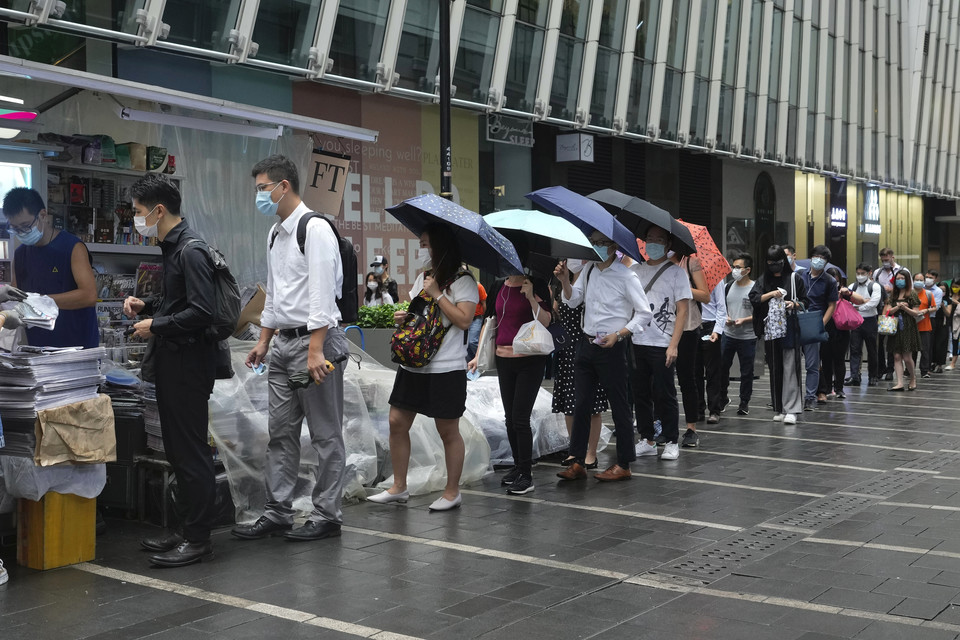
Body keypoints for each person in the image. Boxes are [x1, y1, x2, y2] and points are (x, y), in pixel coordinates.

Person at [234, 155, 349, 542]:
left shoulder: (314, 229)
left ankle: (327, 515)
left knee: (324, 433)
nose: (259, 196)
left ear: (284, 187)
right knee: (280, 432)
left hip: (314, 344)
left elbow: (321, 293)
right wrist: (264, 340)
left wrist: (316, 349)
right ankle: (278, 511)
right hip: (283, 344)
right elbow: (275, 294)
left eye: (262, 189)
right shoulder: (275, 233)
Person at [121, 173, 219, 567]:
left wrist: (155, 325)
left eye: (138, 213)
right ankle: (184, 530)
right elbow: (179, 301)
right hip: (173, 361)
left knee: (191, 452)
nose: (136, 220)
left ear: (159, 211)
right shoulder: (172, 249)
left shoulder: (191, 250)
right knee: (178, 451)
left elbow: (202, 311)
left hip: (189, 364)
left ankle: (198, 540)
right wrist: (148, 306)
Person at [369, 223, 478, 510]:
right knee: (397, 421)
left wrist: (439, 294)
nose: (423, 250)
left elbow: (464, 320)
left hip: (446, 367)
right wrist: (404, 317)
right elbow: (420, 316)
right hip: (414, 363)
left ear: (440, 247)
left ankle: (452, 492)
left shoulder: (463, 281)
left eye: (427, 244)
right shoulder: (424, 278)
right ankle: (398, 486)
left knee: (447, 430)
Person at [555, 230, 652, 481]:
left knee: (619, 405)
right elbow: (573, 301)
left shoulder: (626, 275)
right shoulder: (588, 270)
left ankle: (624, 463)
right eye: (593, 242)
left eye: (601, 243)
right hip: (586, 343)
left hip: (611, 345)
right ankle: (577, 461)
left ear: (613, 246)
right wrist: (566, 280)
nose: (596, 247)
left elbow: (644, 314)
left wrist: (619, 334)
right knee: (581, 403)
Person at [468, 272, 551, 495]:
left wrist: (531, 297)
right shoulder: (497, 284)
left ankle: (526, 474)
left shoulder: (536, 283)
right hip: (504, 360)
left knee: (520, 418)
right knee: (510, 419)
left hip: (530, 360)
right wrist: (477, 355)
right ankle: (517, 466)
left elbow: (546, 321)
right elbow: (490, 321)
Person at [3, 187, 98, 348]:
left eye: (26, 226)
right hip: (38, 349)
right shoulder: (20, 255)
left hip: (76, 348)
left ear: (43, 215)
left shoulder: (72, 247)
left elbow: (89, 296)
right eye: (15, 228)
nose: (21, 232)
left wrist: (40, 301)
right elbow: (17, 296)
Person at [631, 224, 691, 462]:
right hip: (636, 339)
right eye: (649, 238)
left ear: (668, 245)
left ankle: (671, 441)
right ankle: (646, 439)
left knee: (665, 393)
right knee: (640, 393)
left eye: (659, 239)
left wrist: (674, 344)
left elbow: (683, 309)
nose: (653, 243)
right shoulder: (635, 270)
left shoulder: (677, 273)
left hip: (662, 342)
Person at [551, 259, 607, 469]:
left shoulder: (593, 280)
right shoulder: (559, 283)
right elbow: (556, 311)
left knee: (592, 406)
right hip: (566, 349)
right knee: (569, 404)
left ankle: (591, 453)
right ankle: (575, 450)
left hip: (587, 345)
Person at [750, 245, 809, 425]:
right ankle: (779, 407)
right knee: (775, 368)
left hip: (789, 328)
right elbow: (754, 298)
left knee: (790, 367)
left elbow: (806, 301)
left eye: (777, 262)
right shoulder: (763, 280)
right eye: (770, 263)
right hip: (770, 330)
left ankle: (792, 408)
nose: (774, 266)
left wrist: (794, 304)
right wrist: (771, 294)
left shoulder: (794, 278)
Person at [672, 253, 710, 445]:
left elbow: (705, 296)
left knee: (687, 378)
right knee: (658, 381)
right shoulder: (651, 264)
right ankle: (662, 424)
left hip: (687, 326)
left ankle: (691, 428)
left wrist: (683, 286)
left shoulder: (690, 262)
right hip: (661, 327)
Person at [800, 245, 838, 410]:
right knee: (792, 362)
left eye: (822, 258)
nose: (818, 260)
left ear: (826, 262)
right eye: (815, 256)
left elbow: (832, 305)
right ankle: (792, 396)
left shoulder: (829, 280)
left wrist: (821, 323)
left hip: (814, 323)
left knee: (812, 363)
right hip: (797, 320)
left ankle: (810, 397)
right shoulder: (801, 276)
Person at [720, 254, 756, 415]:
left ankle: (744, 402)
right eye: (733, 266)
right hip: (728, 334)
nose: (734, 270)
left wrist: (745, 320)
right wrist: (726, 317)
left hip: (748, 336)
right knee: (722, 368)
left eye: (738, 267)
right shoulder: (728, 286)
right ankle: (722, 398)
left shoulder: (755, 289)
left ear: (747, 270)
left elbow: (761, 314)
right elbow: (721, 308)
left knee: (746, 372)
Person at [844, 263, 882, 386]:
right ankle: (854, 375)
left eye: (863, 273)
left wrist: (859, 307)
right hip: (856, 321)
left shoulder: (874, 286)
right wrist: (862, 305)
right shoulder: (852, 286)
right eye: (858, 273)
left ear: (869, 273)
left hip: (870, 320)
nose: (860, 276)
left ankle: (873, 376)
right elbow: (846, 302)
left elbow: (874, 302)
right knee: (855, 349)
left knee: (872, 350)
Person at [883, 270, 920, 391]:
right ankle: (899, 383)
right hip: (895, 327)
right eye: (897, 278)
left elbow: (916, 313)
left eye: (902, 278)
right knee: (896, 356)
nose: (899, 281)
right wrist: (897, 307)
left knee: (907, 357)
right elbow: (888, 311)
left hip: (908, 327)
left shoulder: (912, 294)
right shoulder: (893, 294)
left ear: (907, 280)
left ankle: (912, 378)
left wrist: (905, 308)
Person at [698, 279, 728, 427]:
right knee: (694, 371)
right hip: (691, 325)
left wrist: (717, 330)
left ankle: (714, 410)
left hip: (710, 326)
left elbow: (721, 307)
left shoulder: (715, 278)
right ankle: (698, 409)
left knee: (712, 371)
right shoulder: (684, 274)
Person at [817, 267, 849, 400]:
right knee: (826, 360)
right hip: (825, 328)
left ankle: (839, 388)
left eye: (836, 281)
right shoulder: (821, 292)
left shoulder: (844, 291)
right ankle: (828, 387)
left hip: (841, 330)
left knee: (839, 360)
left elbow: (861, 300)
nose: (834, 284)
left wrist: (848, 293)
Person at [874, 248, 903, 380]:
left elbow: (908, 288)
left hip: (894, 309)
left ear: (893, 257)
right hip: (879, 308)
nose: (885, 262)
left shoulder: (902, 271)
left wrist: (891, 290)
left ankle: (891, 369)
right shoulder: (877, 272)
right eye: (883, 260)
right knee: (879, 341)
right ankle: (880, 368)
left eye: (887, 259)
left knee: (892, 339)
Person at [932, 282, 952, 373]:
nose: (942, 292)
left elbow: (948, 313)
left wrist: (943, 306)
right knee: (932, 343)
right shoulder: (933, 297)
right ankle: (932, 362)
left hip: (943, 323)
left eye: (944, 290)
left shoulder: (948, 300)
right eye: (940, 289)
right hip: (933, 322)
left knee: (941, 344)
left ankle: (940, 365)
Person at [466, 280, 487, 361]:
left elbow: (484, 302)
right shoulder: (461, 288)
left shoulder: (478, 286)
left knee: (473, 341)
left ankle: (482, 359)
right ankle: (471, 364)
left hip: (476, 318)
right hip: (465, 318)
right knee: (466, 344)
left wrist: (485, 318)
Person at [948, 281, 960, 371]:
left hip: (958, 323)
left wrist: (957, 303)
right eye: (953, 286)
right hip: (951, 322)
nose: (954, 288)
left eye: (957, 286)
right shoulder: (949, 296)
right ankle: (953, 364)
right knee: (954, 341)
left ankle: (953, 363)